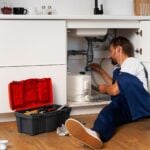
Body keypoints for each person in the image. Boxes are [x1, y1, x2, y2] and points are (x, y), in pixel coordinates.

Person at [65, 36, 150, 150]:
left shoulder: (131, 62)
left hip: (142, 104)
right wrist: (100, 70)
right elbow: (115, 84)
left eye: (111, 51)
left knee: (124, 80)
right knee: (109, 111)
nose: (110, 55)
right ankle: (96, 134)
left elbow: (115, 89)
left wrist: (105, 89)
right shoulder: (119, 69)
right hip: (130, 108)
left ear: (118, 49)